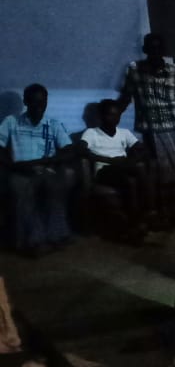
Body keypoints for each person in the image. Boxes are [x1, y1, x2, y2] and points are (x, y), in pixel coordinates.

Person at [119, 33, 175, 219]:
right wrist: (116, 111)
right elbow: (127, 94)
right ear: (145, 50)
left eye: (159, 49)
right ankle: (161, 212)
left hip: (174, 126)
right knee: (159, 171)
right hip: (151, 129)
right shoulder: (135, 70)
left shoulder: (173, 70)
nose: (156, 53)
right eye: (152, 49)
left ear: (164, 51)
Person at [0, 84, 75, 255]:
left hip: (45, 169)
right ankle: (33, 241)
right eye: (34, 103)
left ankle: (57, 235)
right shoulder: (11, 122)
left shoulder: (53, 124)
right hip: (20, 170)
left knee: (55, 187)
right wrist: (14, 166)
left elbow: (69, 151)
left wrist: (48, 161)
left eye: (43, 103)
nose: (39, 107)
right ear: (26, 102)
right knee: (23, 190)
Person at [80, 99, 155, 233]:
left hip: (123, 168)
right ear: (101, 116)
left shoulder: (124, 132)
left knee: (135, 174)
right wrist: (109, 160)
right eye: (110, 115)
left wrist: (132, 159)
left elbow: (142, 149)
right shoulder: (91, 133)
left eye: (117, 115)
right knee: (135, 173)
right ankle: (146, 214)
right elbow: (81, 150)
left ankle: (139, 219)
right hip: (104, 171)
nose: (114, 119)